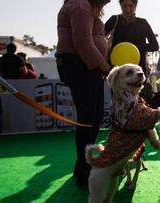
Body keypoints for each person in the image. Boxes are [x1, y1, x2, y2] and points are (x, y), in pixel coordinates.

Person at [55, 0, 112, 187]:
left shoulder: (85, 6)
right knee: (87, 119)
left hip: (87, 67)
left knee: (94, 117)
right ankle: (84, 170)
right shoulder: (81, 5)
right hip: (80, 66)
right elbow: (82, 43)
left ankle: (83, 166)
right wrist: (106, 69)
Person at [104, 0, 159, 78]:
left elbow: (154, 46)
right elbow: (99, 36)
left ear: (135, 6)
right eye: (124, 6)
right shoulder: (114, 20)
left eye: (131, 6)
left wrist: (134, 47)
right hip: (118, 70)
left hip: (137, 70)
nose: (127, 9)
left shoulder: (142, 23)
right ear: (120, 6)